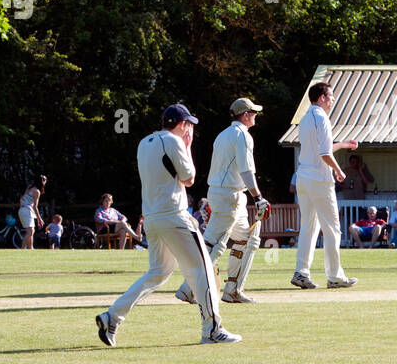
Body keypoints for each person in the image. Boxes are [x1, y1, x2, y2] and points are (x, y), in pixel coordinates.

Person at [94, 103, 238, 346]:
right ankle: (212, 329)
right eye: (189, 126)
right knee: (203, 270)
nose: (190, 130)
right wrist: (188, 146)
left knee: (158, 273)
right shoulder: (174, 142)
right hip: (174, 216)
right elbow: (189, 178)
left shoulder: (143, 143)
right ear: (182, 125)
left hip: (152, 218)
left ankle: (112, 317)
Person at [173, 97, 270, 304]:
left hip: (225, 194)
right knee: (214, 245)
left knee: (248, 237)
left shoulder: (223, 135)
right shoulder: (242, 136)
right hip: (229, 196)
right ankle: (189, 288)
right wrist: (259, 197)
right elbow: (246, 170)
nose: (255, 116)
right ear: (245, 115)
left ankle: (232, 289)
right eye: (253, 112)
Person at [292, 82, 359, 289]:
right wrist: (339, 170)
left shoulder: (305, 118)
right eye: (330, 96)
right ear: (321, 97)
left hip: (303, 177)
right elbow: (324, 154)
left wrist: (344, 145)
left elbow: (323, 149)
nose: (332, 99)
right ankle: (334, 277)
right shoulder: (321, 117)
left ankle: (301, 273)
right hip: (319, 179)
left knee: (309, 228)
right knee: (332, 229)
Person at [18, 175, 46, 250]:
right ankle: (22, 249)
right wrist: (40, 219)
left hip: (22, 210)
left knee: (31, 230)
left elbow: (21, 199)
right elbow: (35, 207)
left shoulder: (29, 188)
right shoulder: (37, 191)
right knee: (30, 231)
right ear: (42, 182)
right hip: (27, 211)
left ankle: (31, 248)